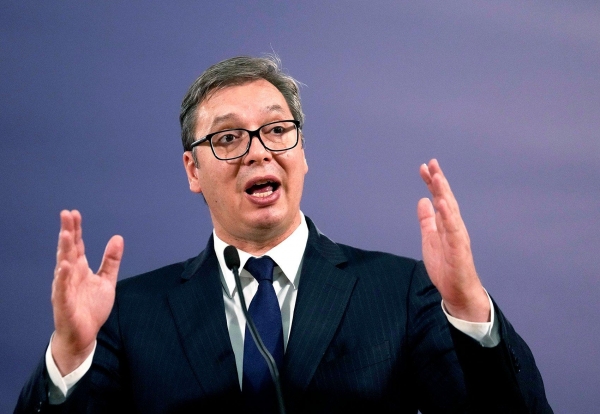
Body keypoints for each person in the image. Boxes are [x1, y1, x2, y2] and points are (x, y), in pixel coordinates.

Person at [15, 55, 552, 413]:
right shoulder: (127, 314)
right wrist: (69, 357)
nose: (258, 151)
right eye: (228, 137)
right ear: (192, 170)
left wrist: (468, 304)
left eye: (277, 129)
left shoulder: (400, 291)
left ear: (302, 153)